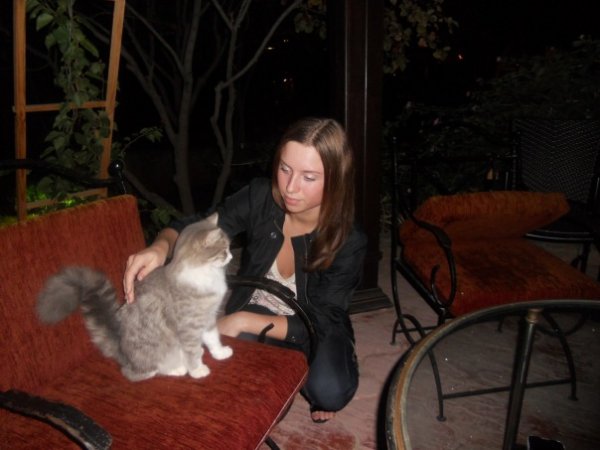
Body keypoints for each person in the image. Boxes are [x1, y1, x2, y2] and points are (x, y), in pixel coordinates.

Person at [123, 117, 367, 423]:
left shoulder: (350, 240)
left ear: (335, 180)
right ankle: (288, 361)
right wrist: (161, 247)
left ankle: (325, 358)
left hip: (314, 322)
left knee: (329, 392)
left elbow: (323, 318)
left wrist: (240, 320)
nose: (290, 187)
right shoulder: (260, 196)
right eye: (285, 169)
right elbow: (200, 226)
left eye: (309, 177)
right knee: (245, 397)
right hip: (261, 307)